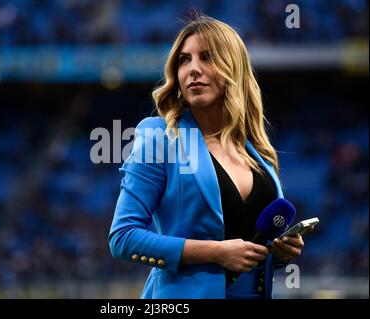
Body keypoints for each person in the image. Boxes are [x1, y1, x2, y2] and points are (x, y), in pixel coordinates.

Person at [109, 14, 308, 299]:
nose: (193, 69)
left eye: (207, 57)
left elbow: (249, 250)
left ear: (234, 68)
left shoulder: (256, 150)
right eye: (184, 60)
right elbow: (123, 238)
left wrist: (279, 253)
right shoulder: (160, 136)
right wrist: (216, 252)